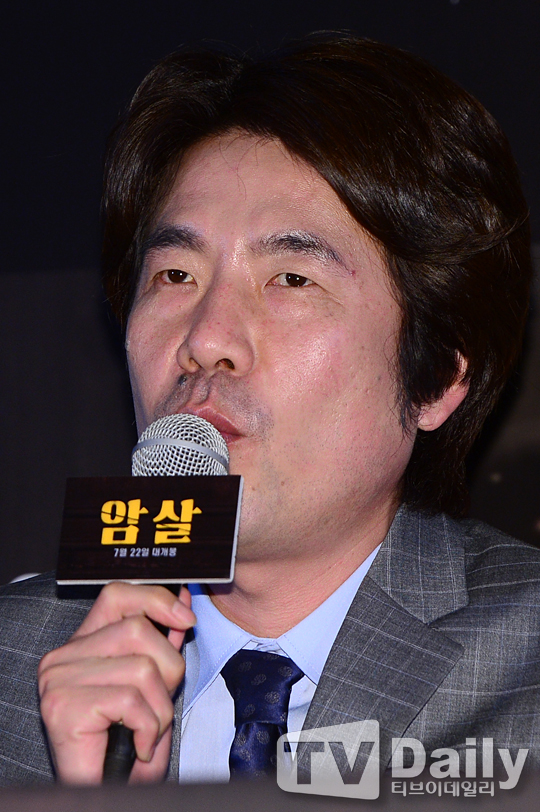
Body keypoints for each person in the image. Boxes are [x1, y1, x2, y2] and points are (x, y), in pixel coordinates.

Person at [1, 33, 539, 786]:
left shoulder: (524, 673)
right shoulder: (16, 666)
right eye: (175, 274)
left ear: (438, 379)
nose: (205, 340)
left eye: (290, 279)